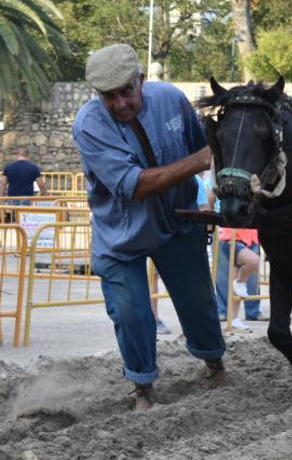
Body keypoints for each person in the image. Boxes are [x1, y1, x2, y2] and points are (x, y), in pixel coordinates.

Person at [72, 44, 226, 410]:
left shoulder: (170, 98)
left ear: (141, 80)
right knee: (131, 313)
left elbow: (202, 144)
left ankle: (214, 365)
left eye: (127, 90)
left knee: (199, 300)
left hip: (178, 221)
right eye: (109, 96)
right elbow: (136, 185)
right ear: (98, 95)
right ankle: (142, 387)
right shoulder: (89, 124)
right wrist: (201, 160)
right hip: (121, 234)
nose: (121, 102)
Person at [150, 172, 211, 335]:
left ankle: (156, 317)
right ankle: (193, 326)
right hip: (181, 239)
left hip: (165, 236)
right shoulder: (195, 180)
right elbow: (204, 209)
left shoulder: (166, 178)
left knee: (154, 279)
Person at [204, 174, 267, 327]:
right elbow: (209, 201)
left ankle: (253, 310)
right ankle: (224, 310)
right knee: (224, 273)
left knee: (251, 274)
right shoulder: (217, 178)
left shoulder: (251, 178)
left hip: (250, 230)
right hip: (225, 229)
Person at [1, 147, 48, 221]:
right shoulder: (34, 168)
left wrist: (2, 198)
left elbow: (3, 184)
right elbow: (41, 185)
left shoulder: (8, 167)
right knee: (25, 221)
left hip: (12, 200)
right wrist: (46, 197)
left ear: (17, 155)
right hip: (27, 200)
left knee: (13, 221)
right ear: (28, 156)